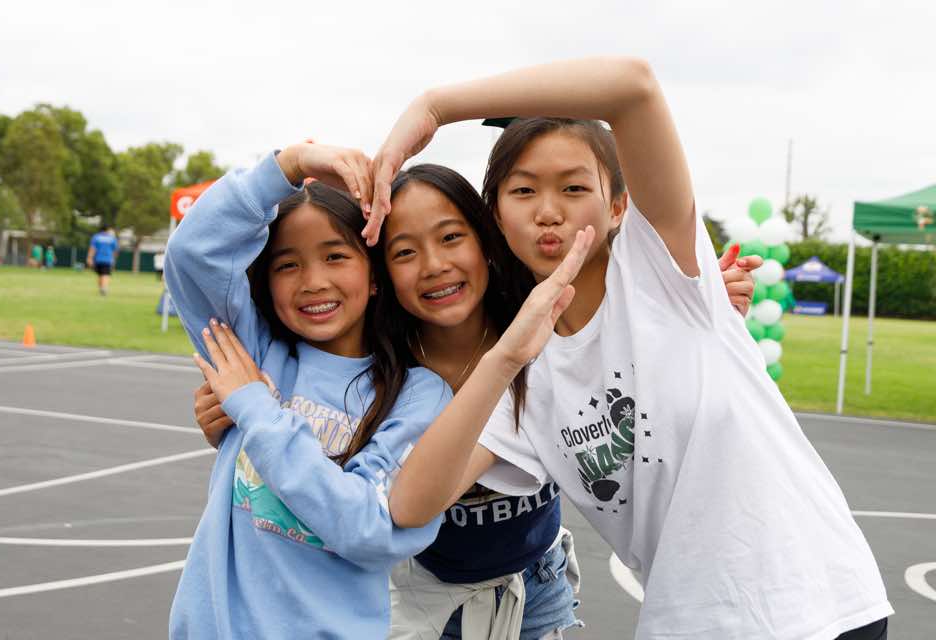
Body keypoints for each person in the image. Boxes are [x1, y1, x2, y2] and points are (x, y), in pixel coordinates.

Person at [371, 58, 892, 639]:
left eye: (573, 187)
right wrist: (504, 360)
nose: (548, 210)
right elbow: (411, 505)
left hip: (819, 608)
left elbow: (633, 86)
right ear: (496, 215)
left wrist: (438, 106)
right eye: (523, 191)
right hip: (689, 624)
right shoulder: (526, 373)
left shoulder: (662, 275)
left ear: (618, 206)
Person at [192, 163, 760, 639]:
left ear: (486, 242)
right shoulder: (389, 366)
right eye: (404, 251)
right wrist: (237, 423)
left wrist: (697, 310)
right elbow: (329, 445)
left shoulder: (539, 325)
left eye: (451, 238)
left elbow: (626, 354)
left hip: (534, 579)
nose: (435, 265)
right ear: (382, 272)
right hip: (423, 592)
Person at [164, 142, 451, 640]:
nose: (313, 282)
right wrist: (290, 165)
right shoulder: (253, 351)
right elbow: (192, 254)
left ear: (375, 275)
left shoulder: (419, 396)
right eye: (287, 265)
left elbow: (372, 529)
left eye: (336, 256)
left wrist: (256, 409)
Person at [86, 225, 118, 295]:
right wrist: (114, 259)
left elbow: (92, 249)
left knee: (100, 275)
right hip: (107, 259)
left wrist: (89, 258)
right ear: (107, 230)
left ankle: (101, 288)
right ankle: (104, 288)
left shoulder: (96, 237)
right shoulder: (112, 238)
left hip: (98, 259)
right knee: (105, 274)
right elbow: (115, 250)